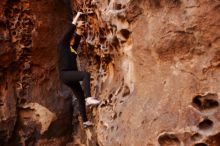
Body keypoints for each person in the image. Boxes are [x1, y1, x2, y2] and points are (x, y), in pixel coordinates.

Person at [59, 12, 101, 128]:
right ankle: (89, 98)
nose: (71, 39)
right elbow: (70, 30)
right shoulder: (62, 44)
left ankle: (85, 122)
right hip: (65, 74)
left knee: (80, 97)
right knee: (85, 75)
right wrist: (77, 16)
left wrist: (80, 28)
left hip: (69, 76)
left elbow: (76, 37)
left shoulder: (71, 49)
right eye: (70, 38)